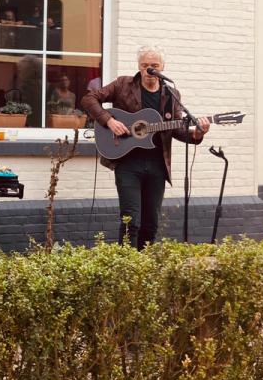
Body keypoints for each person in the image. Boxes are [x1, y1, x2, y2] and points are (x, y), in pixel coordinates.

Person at [81, 45, 209, 249]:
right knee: (131, 221)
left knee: (151, 224)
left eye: (154, 65)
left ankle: (144, 267)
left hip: (158, 165)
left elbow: (176, 129)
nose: (149, 69)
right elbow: (89, 98)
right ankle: (126, 267)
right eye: (145, 65)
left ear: (163, 67)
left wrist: (198, 133)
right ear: (138, 66)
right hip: (128, 163)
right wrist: (109, 121)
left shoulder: (171, 93)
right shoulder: (123, 84)